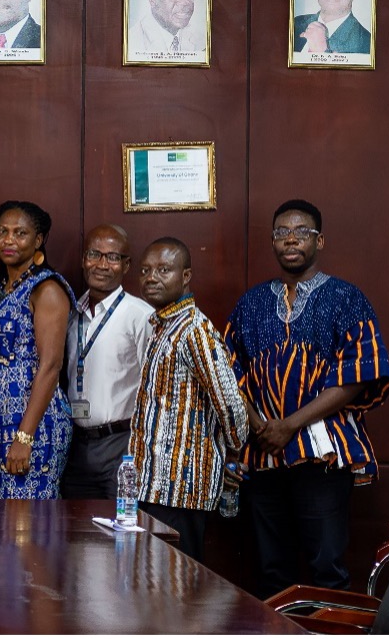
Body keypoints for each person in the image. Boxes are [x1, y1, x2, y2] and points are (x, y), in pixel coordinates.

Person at [224, 200, 389, 596]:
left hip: (323, 455)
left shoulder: (346, 298)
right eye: (281, 232)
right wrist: (261, 426)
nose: (290, 239)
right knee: (270, 570)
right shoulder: (250, 304)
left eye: (300, 231)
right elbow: (227, 374)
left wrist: (289, 425)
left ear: (319, 240)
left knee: (327, 567)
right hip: (263, 452)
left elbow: (358, 375)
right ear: (272, 242)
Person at [131, 238, 249, 561]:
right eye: (145, 270)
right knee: (154, 592)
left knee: (177, 592)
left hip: (179, 490)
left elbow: (231, 406)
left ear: (185, 276)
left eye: (163, 270)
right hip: (154, 485)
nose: (151, 277)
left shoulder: (194, 329)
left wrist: (229, 452)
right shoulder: (163, 327)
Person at [0, 201, 74, 499]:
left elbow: (51, 365)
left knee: (29, 521)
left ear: (38, 241)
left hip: (36, 421)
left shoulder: (46, 289)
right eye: (3, 231)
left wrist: (25, 436)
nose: (9, 240)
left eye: (20, 233)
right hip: (0, 420)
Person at [60, 225, 154, 500]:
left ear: (126, 265)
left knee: (124, 532)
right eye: (94, 254)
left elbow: (155, 390)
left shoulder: (140, 316)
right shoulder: (71, 312)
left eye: (112, 257)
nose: (102, 264)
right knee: (77, 534)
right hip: (75, 445)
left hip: (121, 447)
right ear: (83, 259)